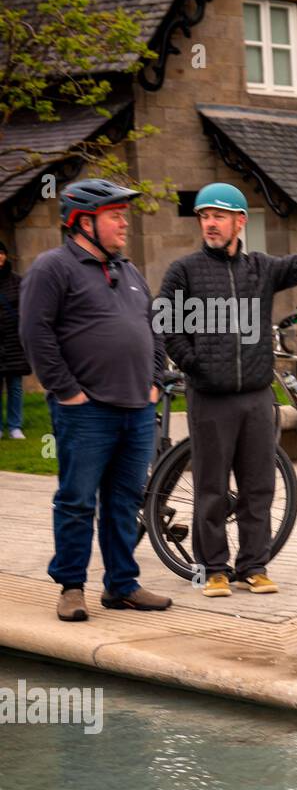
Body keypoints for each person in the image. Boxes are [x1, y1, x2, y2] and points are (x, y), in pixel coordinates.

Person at [161, 182, 297, 597]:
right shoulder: (184, 271)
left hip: (258, 395)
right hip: (209, 396)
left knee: (258, 485)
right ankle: (214, 570)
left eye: (219, 216)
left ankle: (253, 565)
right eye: (205, 216)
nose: (210, 223)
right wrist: (195, 366)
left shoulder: (260, 268)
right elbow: (167, 325)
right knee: (210, 485)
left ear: (239, 222)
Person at [19, 179, 172, 621]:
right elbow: (35, 334)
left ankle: (121, 585)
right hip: (86, 413)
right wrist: (67, 391)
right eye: (115, 214)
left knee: (125, 501)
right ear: (84, 221)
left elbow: (153, 327)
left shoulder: (129, 271)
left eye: (124, 213)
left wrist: (155, 380)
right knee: (77, 500)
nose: (125, 222)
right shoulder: (52, 268)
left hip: (137, 409)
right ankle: (71, 587)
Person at [0, 240, 29, 439]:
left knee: (15, 386)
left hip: (13, 341)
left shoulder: (17, 281)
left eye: (1, 253)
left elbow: (26, 307)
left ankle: (15, 425)